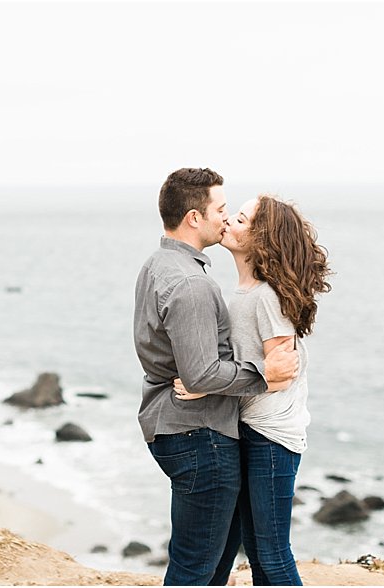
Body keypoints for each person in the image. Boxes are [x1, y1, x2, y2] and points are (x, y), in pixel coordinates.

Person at [134, 169, 300, 586]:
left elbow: (202, 370)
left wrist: (200, 379)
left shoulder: (159, 265)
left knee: (212, 563)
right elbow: (203, 372)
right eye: (222, 210)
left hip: (194, 429)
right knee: (196, 567)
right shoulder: (192, 282)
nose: (226, 219)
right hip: (199, 435)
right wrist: (261, 375)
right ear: (194, 217)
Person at [175, 194, 332, 585]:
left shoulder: (266, 298)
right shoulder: (243, 294)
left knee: (270, 553)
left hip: (271, 438)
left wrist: (206, 387)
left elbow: (281, 375)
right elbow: (259, 371)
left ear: (261, 239)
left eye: (241, 220)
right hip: (248, 430)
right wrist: (209, 383)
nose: (228, 223)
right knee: (246, 546)